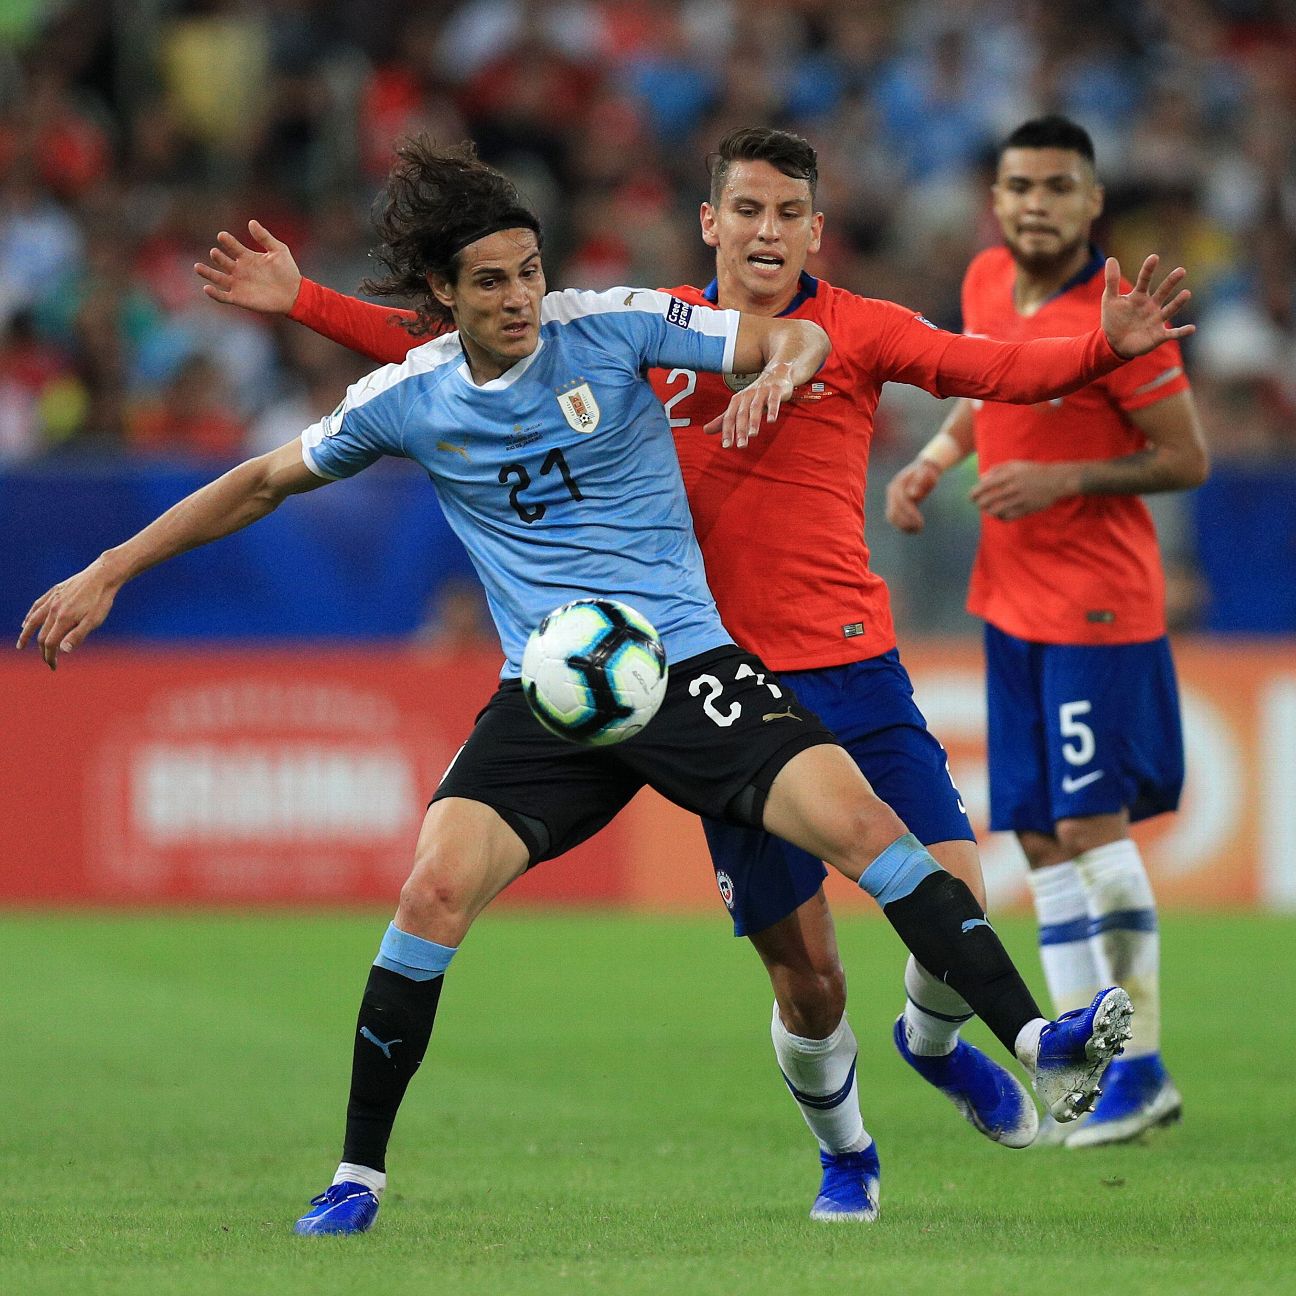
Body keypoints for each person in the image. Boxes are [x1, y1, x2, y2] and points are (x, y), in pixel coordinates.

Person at [191, 127, 1190, 1212]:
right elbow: (461, 337)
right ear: (712, 222)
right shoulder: (644, 330)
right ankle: (846, 1155)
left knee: (953, 899)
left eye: (788, 213)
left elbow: (990, 367)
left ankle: (937, 1045)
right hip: (708, 672)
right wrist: (306, 303)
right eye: (746, 210)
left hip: (851, 662)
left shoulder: (857, 327)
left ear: (817, 226)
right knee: (807, 980)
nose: (767, 230)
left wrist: (1101, 349)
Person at [886, 115, 1208, 1147]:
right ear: (998, 200)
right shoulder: (986, 281)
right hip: (1009, 596)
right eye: (1020, 185)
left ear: (1091, 201)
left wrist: (1067, 475)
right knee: (1034, 834)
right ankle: (1086, 1062)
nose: (1035, 202)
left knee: (1087, 829)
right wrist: (938, 457)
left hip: (1096, 604)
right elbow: (990, 387)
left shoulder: (1117, 314)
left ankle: (1144, 1071)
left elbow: (1186, 456)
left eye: (1057, 186)